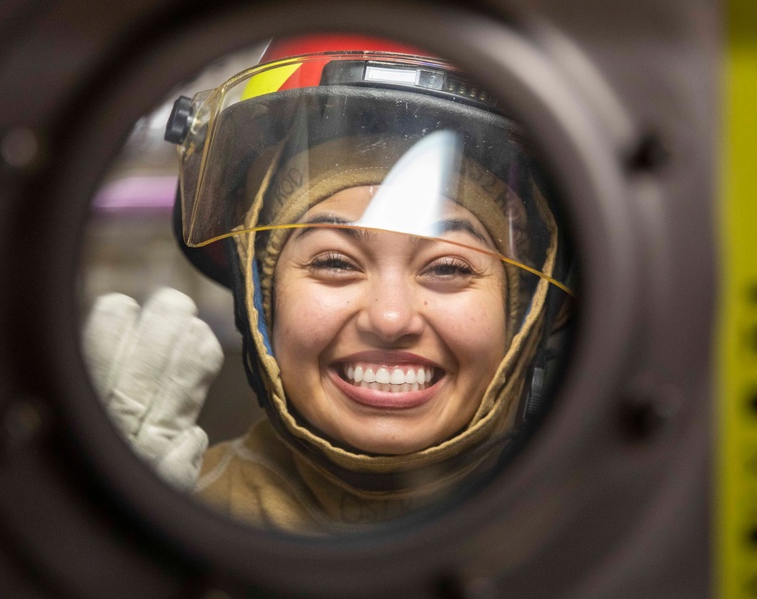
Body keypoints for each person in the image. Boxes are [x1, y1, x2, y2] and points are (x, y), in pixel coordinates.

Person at [84, 35, 573, 534]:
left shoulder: (608, 532)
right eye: (336, 262)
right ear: (261, 297)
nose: (389, 318)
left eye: (448, 268)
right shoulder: (170, 520)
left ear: (531, 310)